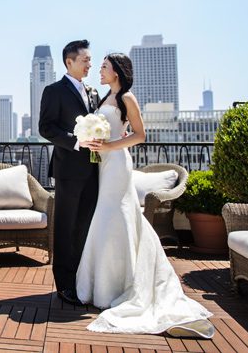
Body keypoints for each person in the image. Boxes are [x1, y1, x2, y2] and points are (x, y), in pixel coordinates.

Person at [76, 53, 214, 337]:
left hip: (116, 166)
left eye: (104, 67)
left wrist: (110, 146)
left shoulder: (127, 98)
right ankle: (100, 285)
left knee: (114, 218)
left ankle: (118, 287)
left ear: (117, 72)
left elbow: (140, 135)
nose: (99, 71)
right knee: (106, 220)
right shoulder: (103, 99)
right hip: (102, 166)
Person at [39, 39, 101, 305]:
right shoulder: (54, 91)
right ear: (69, 62)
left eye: (90, 60)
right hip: (68, 170)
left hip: (95, 170)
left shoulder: (94, 92)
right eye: (85, 60)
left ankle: (81, 280)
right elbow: (46, 128)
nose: (90, 64)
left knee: (85, 227)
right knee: (66, 227)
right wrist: (76, 142)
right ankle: (64, 284)